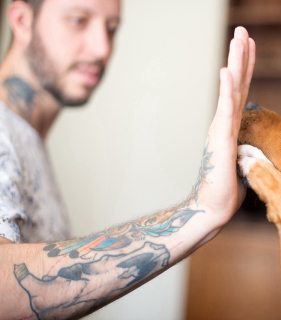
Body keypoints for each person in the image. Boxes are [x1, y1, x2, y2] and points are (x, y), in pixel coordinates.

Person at [0, 0, 255, 318]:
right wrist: (201, 211)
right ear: (23, 20)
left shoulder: (26, 138)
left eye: (111, 29)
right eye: (79, 20)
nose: (101, 48)